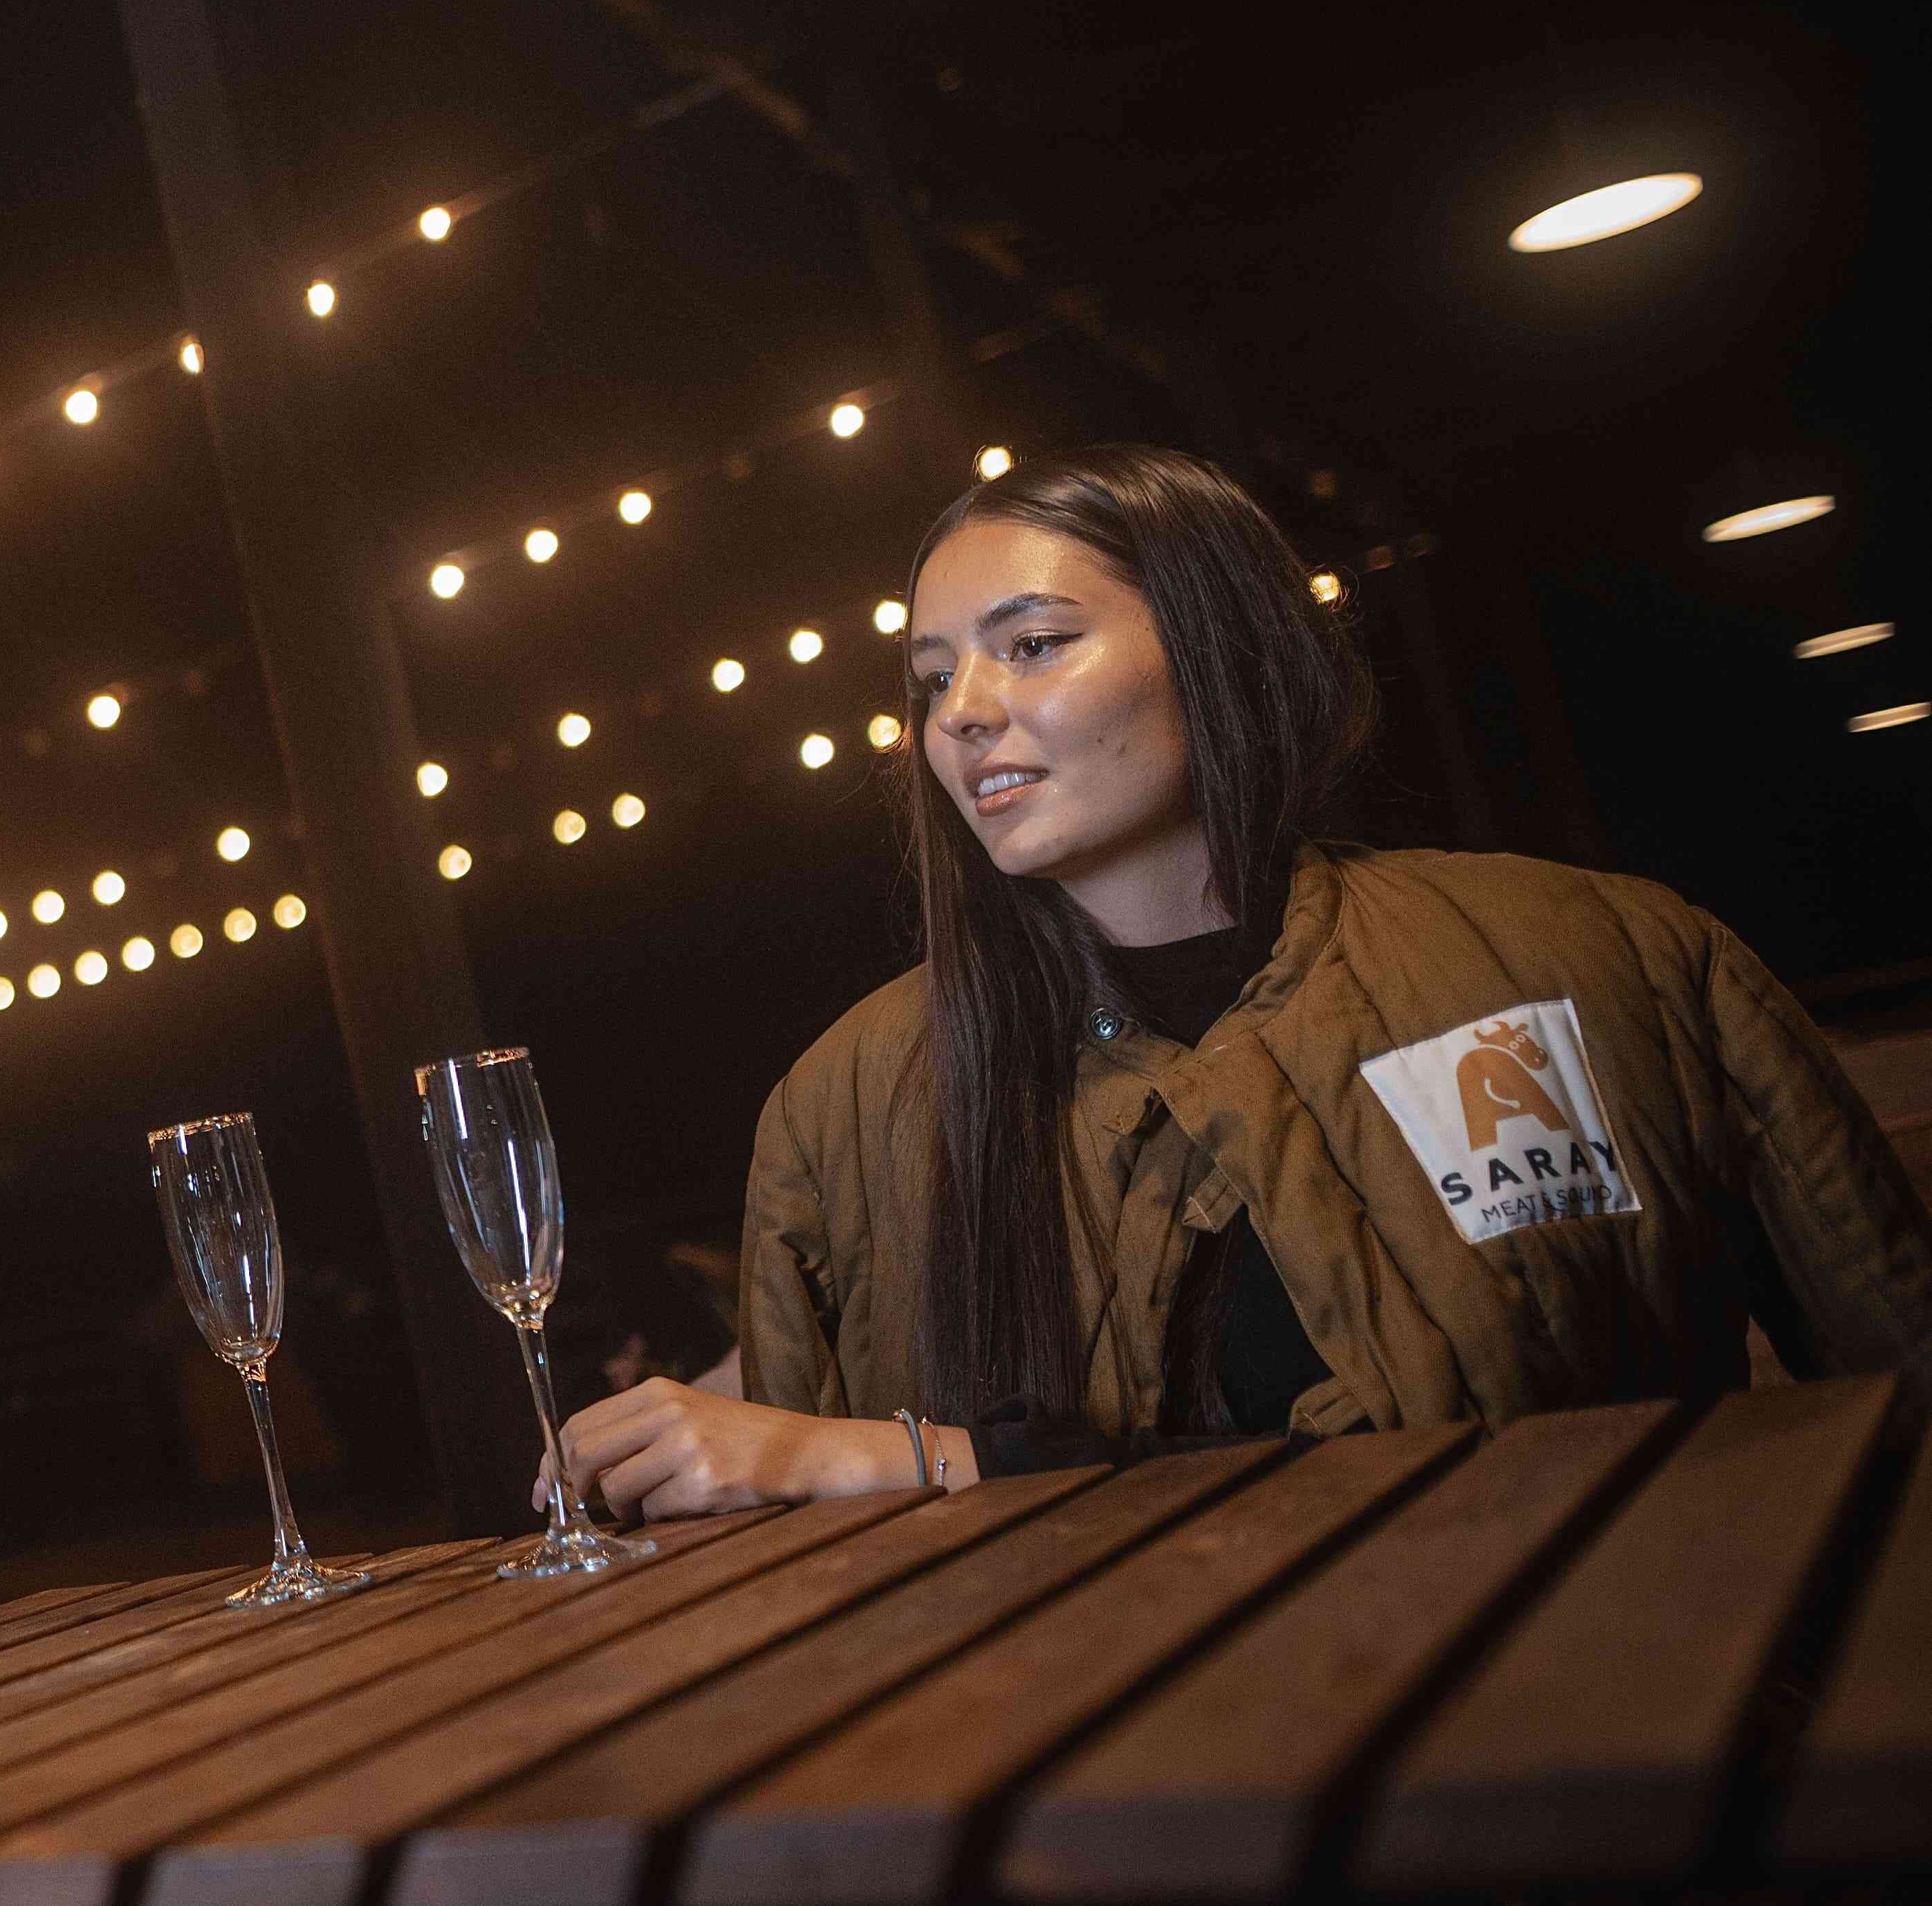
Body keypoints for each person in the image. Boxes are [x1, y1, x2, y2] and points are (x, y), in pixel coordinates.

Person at [551, 442, 1932, 1520]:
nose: (960, 710)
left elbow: (1894, 1369)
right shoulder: (846, 1098)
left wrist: (935, 1460)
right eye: (930, 675)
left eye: (1032, 643)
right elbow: (793, 1549)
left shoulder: (1595, 955)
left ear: (1218, 645)